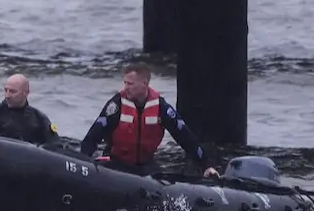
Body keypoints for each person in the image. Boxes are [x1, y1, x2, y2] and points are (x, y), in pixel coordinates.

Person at [79, 63, 217, 177]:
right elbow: (93, 136)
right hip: (116, 164)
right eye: (125, 83)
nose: (125, 87)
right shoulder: (117, 104)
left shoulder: (161, 107)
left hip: (145, 166)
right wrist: (82, 163)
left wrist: (206, 165)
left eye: (130, 84)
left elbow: (185, 137)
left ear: (144, 83)